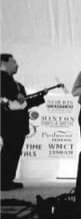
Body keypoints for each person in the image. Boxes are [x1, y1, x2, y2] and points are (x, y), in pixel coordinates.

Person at [1, 53, 48, 191]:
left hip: (18, 123)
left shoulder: (17, 85)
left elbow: (24, 102)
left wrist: (40, 96)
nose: (17, 64)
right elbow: (7, 91)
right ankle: (3, 181)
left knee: (14, 151)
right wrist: (15, 95)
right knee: (9, 151)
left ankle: (7, 179)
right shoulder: (4, 81)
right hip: (8, 122)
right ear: (3, 62)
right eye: (13, 62)